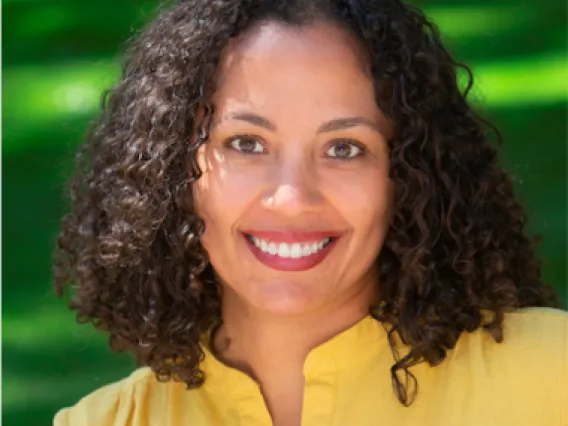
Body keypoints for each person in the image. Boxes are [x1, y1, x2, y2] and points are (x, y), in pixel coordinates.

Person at [52, 0, 567, 425]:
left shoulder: (550, 379)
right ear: (172, 171)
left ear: (409, 178)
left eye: (344, 148)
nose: (293, 196)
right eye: (247, 143)